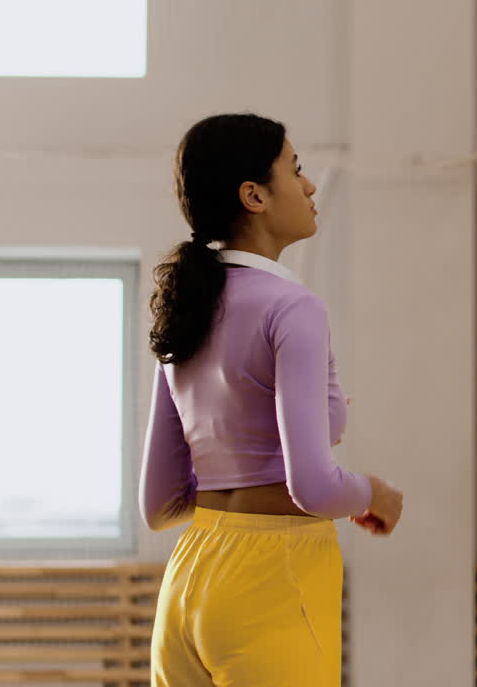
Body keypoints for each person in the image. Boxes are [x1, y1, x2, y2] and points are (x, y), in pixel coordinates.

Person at [139, 113, 403, 686]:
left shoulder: (184, 311)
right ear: (254, 195)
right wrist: (374, 492)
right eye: (296, 169)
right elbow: (314, 489)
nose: (309, 186)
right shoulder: (292, 307)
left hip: (187, 587)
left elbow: (159, 506)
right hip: (271, 587)